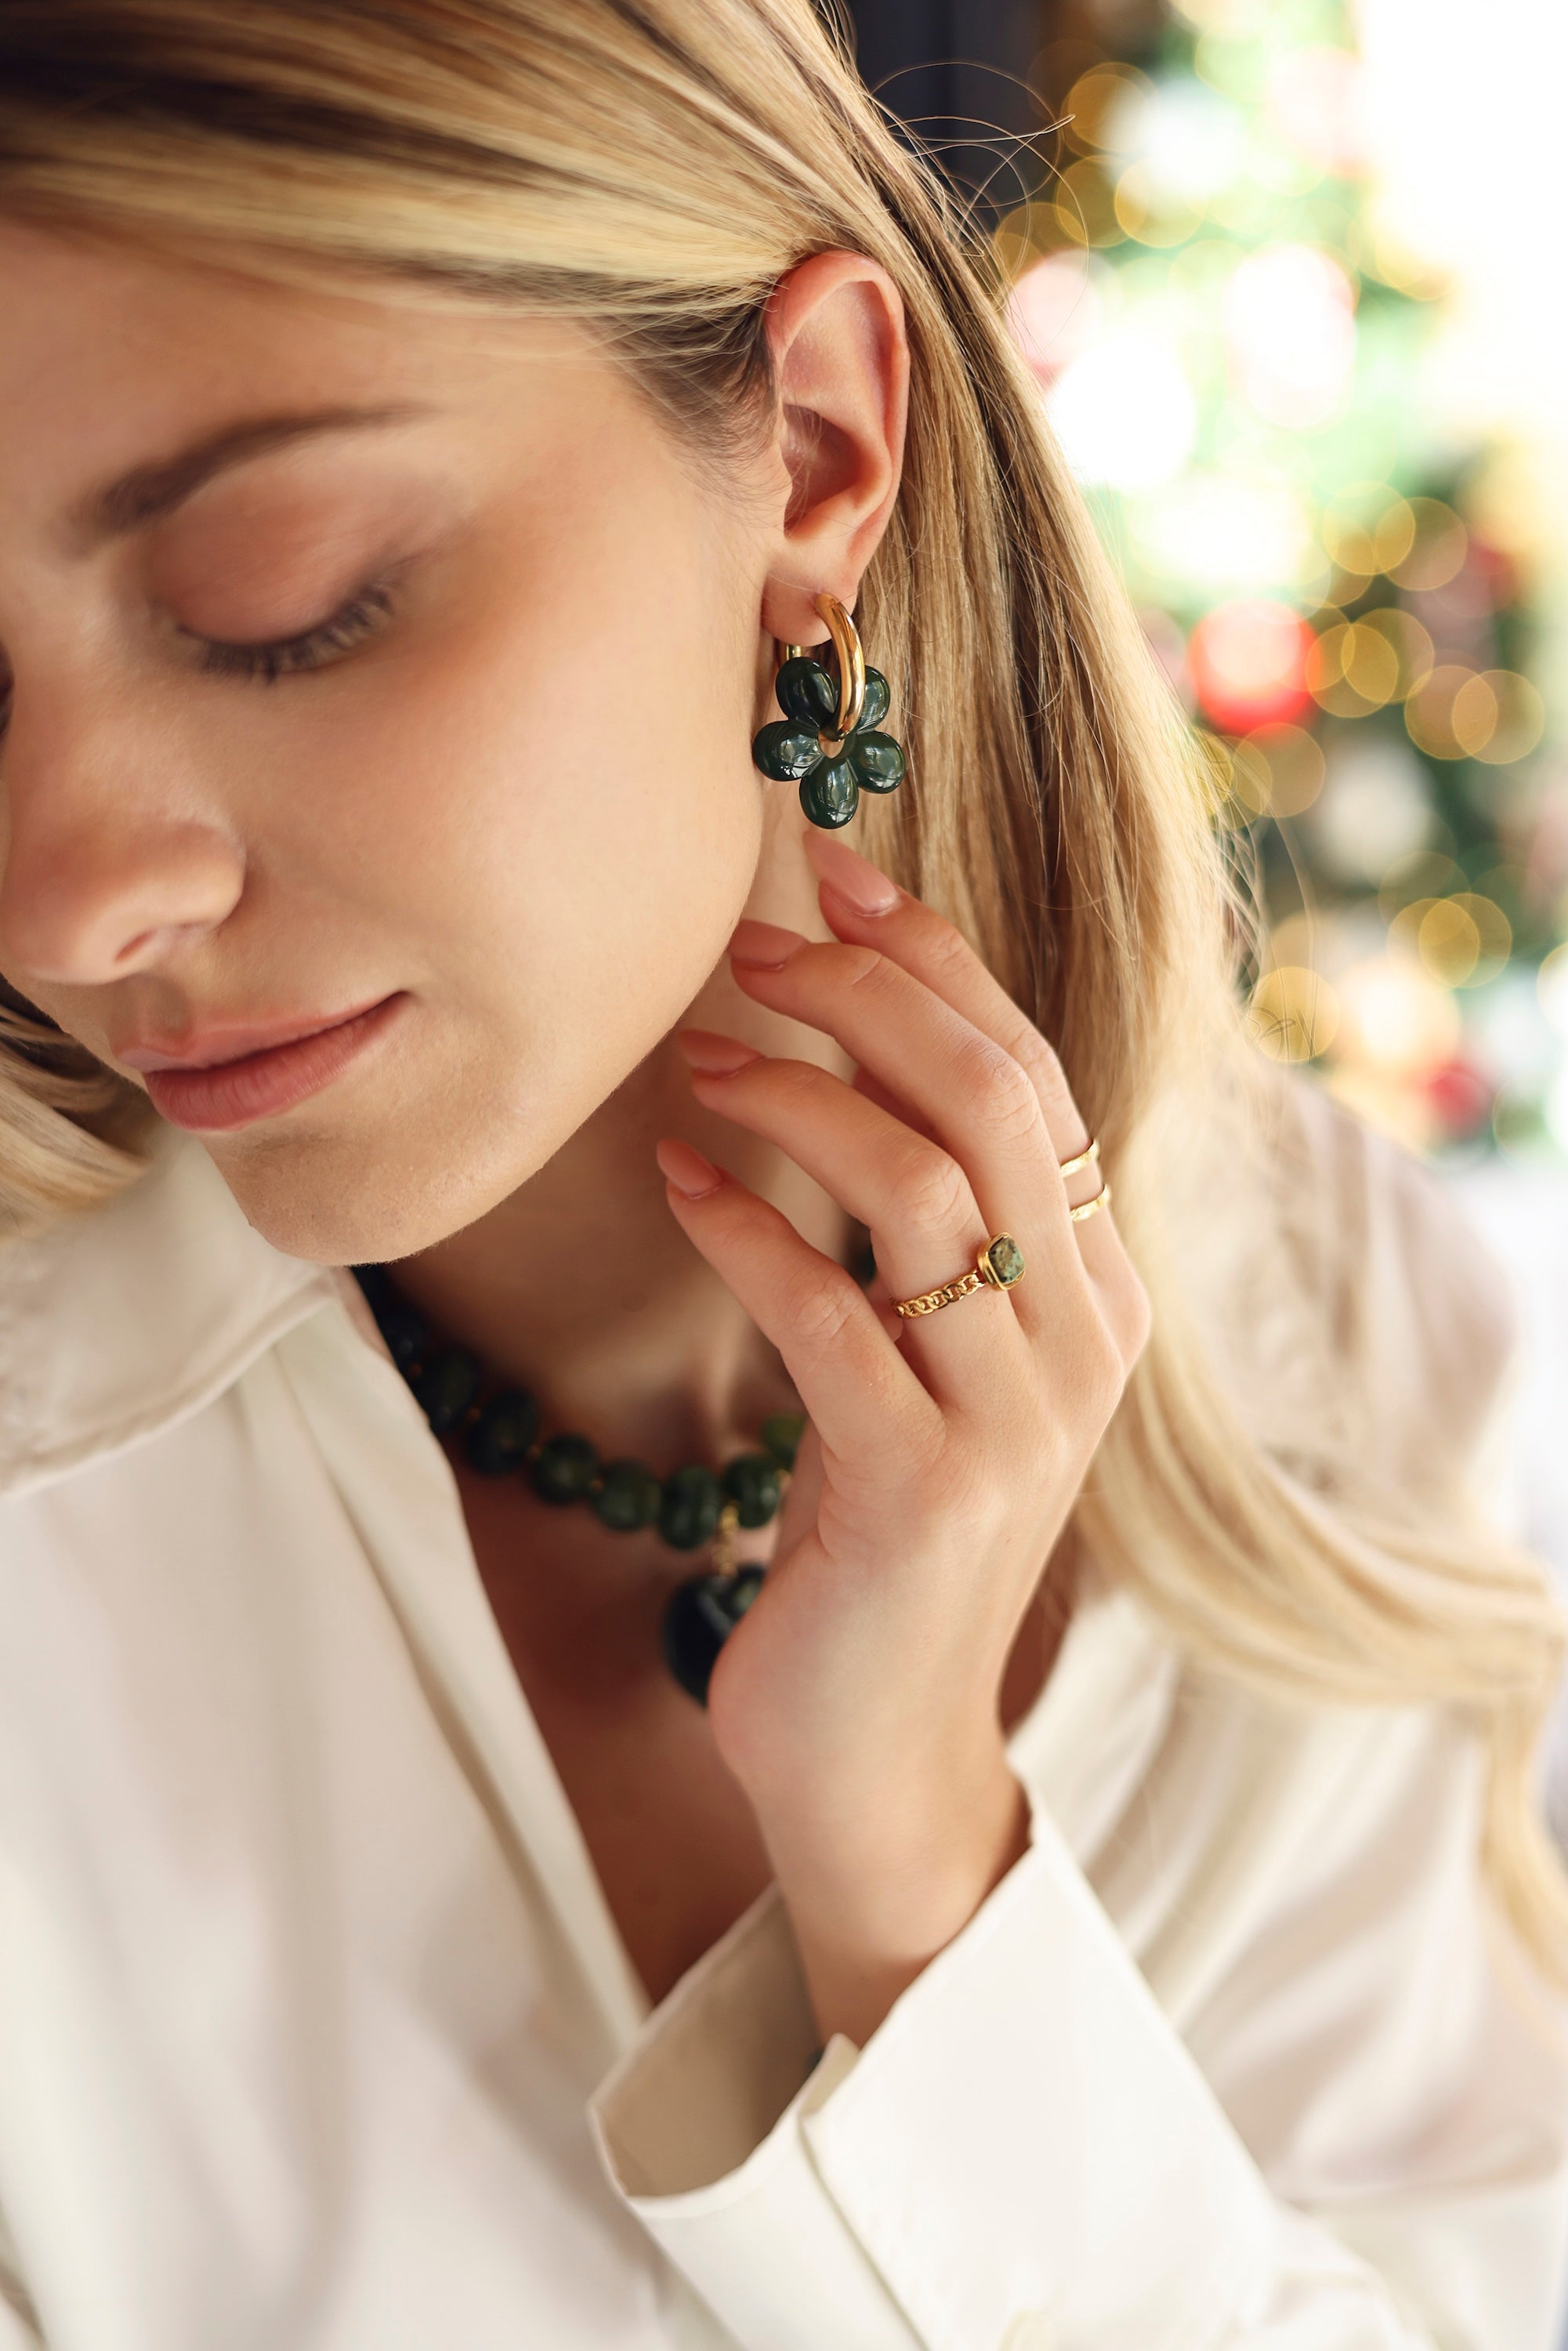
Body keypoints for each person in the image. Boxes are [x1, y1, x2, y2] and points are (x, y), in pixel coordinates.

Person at [0, 3, 1563, 2346]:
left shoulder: (1321, 1331)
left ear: (818, 449)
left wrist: (917, 1878)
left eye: (279, 597)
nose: (62, 901)